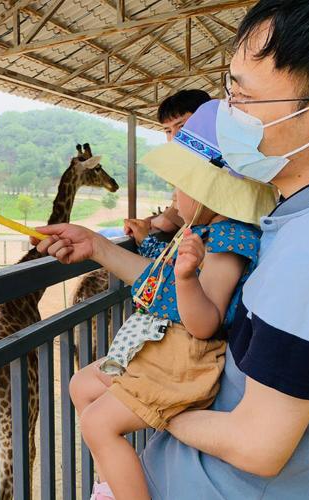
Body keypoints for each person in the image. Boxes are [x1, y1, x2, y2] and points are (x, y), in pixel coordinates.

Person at [34, 101, 276, 500]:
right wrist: (99, 244)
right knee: (82, 385)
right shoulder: (199, 233)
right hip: (162, 350)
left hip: (185, 359)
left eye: (179, 187)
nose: (174, 198)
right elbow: (161, 278)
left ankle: (120, 491)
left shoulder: (230, 239)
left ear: (212, 190)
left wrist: (183, 279)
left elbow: (205, 322)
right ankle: (118, 481)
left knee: (98, 424)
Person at [136, 2, 309, 498]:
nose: (227, 114)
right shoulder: (287, 216)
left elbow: (258, 445)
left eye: (244, 97)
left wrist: (154, 405)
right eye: (228, 91)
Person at [125, 90, 211, 255]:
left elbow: (168, 222)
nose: (175, 137)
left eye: (182, 126)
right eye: (168, 131)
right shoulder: (189, 165)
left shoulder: (216, 170)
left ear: (207, 121)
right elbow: (172, 216)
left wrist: (145, 239)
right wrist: (148, 222)